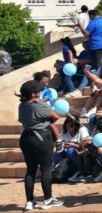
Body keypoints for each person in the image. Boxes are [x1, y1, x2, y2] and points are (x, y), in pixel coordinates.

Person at [18, 80, 63, 211]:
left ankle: (29, 201)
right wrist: (44, 110)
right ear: (34, 94)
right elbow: (55, 117)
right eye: (38, 90)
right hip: (41, 137)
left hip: (26, 137)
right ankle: (48, 199)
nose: (40, 92)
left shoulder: (22, 105)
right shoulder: (39, 106)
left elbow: (22, 120)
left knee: (30, 170)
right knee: (46, 168)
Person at [84, 9, 102, 75]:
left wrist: (80, 27)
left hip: (96, 46)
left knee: (97, 65)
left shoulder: (93, 22)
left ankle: (97, 80)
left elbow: (86, 34)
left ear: (91, 16)